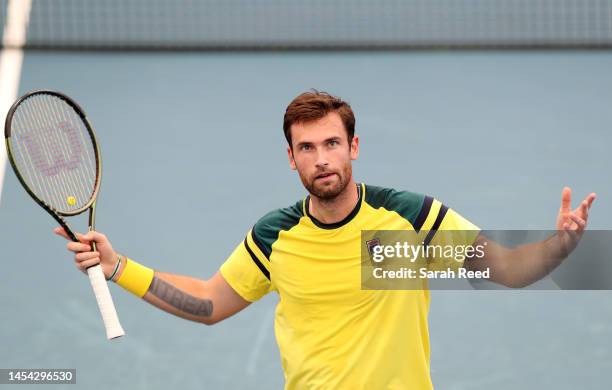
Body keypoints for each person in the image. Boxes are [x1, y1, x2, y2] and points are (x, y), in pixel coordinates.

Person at [55, 90, 596, 389]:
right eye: (307, 148)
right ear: (291, 158)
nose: (322, 159)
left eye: (331, 143)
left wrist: (561, 246)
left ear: (353, 147)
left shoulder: (408, 217)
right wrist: (117, 265)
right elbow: (208, 302)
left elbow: (506, 269)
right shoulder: (276, 235)